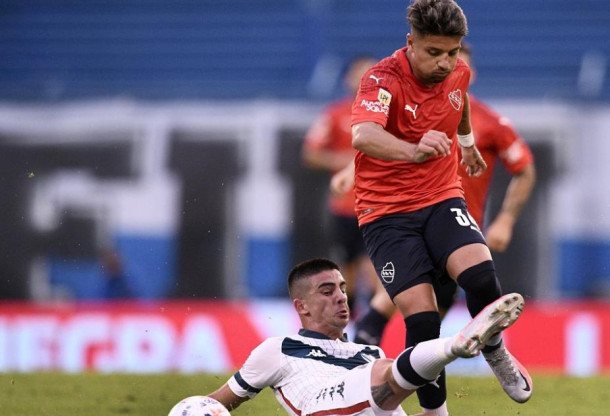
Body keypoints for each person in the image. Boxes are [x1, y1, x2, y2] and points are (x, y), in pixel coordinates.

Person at [348, 1, 531, 413]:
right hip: (386, 215)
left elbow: (458, 97)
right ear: (410, 42)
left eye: (452, 52)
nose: (446, 63)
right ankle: (435, 412)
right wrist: (413, 151)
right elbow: (363, 135)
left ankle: (496, 352)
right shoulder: (380, 79)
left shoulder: (457, 72)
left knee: (482, 278)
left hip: (440, 196)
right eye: (434, 53)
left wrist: (465, 143)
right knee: (425, 324)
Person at [204, 258, 526, 416]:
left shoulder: (367, 352)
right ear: (301, 306)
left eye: (343, 289)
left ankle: (454, 350)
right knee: (384, 371)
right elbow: (215, 404)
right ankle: (457, 344)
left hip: (371, 401)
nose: (341, 298)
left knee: (384, 370)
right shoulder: (279, 349)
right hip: (322, 408)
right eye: (327, 292)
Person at [303, 56, 380, 315]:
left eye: (371, 72)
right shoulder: (334, 114)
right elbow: (311, 152)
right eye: (360, 72)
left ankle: (374, 328)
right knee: (345, 271)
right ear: (348, 78)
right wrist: (343, 161)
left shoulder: (389, 114)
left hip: (379, 206)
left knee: (374, 270)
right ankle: (351, 324)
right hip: (345, 206)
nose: (365, 78)